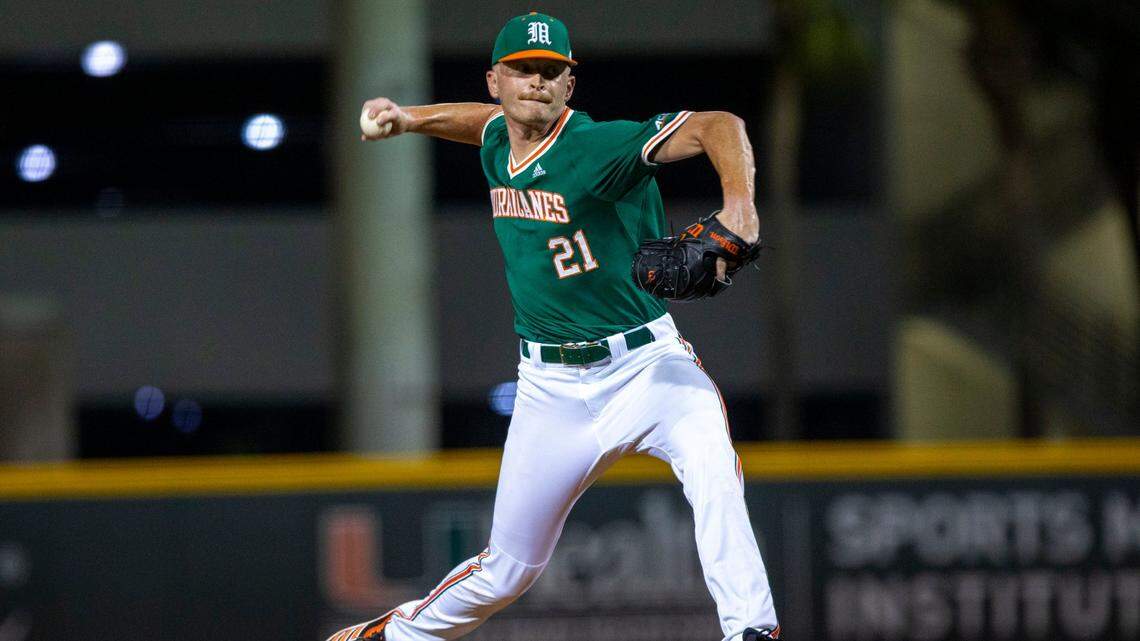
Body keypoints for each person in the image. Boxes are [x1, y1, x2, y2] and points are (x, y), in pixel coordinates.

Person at [328, 12, 780, 641]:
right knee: (507, 570)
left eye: (551, 71)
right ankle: (389, 637)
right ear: (496, 80)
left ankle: (752, 631)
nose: (536, 82)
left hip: (647, 367)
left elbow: (717, 126)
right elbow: (480, 124)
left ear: (570, 84)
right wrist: (409, 117)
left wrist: (740, 206)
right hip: (549, 390)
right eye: (521, 71)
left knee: (713, 473)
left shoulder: (597, 147)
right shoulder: (496, 138)